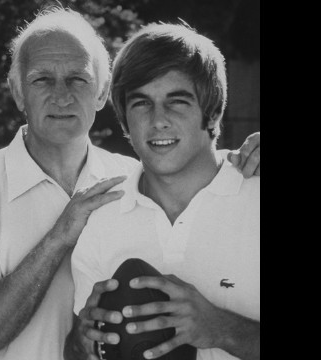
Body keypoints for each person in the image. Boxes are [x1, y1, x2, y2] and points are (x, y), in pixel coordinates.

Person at [0, 7, 260, 360]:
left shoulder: (130, 179)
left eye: (78, 79)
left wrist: (222, 328)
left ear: (101, 94)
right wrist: (60, 239)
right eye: (41, 80)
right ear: (18, 92)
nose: (62, 96)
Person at [67, 23, 259, 360]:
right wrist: (82, 344)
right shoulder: (100, 219)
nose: (158, 121)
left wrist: (220, 328)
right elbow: (78, 352)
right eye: (141, 103)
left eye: (177, 102)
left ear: (212, 112)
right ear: (125, 119)